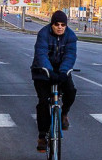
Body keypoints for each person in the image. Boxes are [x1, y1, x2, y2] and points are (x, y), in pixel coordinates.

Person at [31, 10, 78, 152]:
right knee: (43, 103)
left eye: (63, 24)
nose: (59, 27)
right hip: (42, 71)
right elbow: (41, 54)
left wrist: (63, 72)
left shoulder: (71, 36)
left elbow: (70, 55)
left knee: (71, 91)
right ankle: (42, 137)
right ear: (52, 24)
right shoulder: (43, 34)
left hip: (61, 71)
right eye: (56, 24)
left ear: (66, 25)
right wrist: (49, 71)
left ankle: (64, 114)